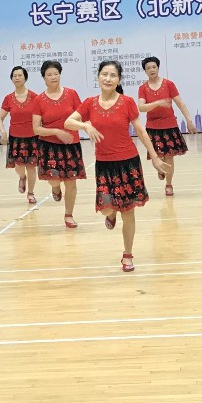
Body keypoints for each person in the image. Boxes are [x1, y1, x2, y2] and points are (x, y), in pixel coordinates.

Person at [67, 60, 168, 271]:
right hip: (104, 165)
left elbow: (140, 131)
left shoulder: (127, 102)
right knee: (106, 208)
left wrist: (155, 157)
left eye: (113, 75)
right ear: (98, 77)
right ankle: (111, 214)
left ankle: (127, 255)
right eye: (104, 74)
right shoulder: (90, 103)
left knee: (128, 211)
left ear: (119, 80)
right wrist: (85, 125)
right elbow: (68, 122)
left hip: (128, 163)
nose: (108, 78)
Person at [32, 59, 85, 228]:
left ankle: (68, 215)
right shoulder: (39, 100)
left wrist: (76, 127)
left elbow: (81, 116)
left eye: (56, 73)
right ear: (44, 78)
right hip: (49, 147)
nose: (53, 77)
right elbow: (36, 129)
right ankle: (55, 188)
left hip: (71, 144)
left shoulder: (72, 94)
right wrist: (56, 131)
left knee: (71, 182)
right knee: (55, 181)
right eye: (49, 74)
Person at [136, 56, 194, 197]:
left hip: (169, 126)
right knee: (156, 156)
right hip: (152, 127)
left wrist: (188, 120)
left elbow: (180, 103)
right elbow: (141, 108)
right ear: (145, 71)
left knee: (169, 157)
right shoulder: (143, 88)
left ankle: (169, 184)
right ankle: (160, 170)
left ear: (158, 68)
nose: (152, 70)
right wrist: (157, 103)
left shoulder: (169, 84)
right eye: (148, 68)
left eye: (154, 67)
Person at [0, 65, 40, 205]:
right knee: (19, 166)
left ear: (25, 78)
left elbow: (41, 116)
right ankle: (22, 177)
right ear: (11, 79)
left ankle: (31, 193)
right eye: (14, 76)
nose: (17, 78)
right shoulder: (8, 98)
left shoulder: (34, 97)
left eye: (20, 75)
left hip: (33, 137)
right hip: (16, 137)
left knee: (31, 167)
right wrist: (3, 132)